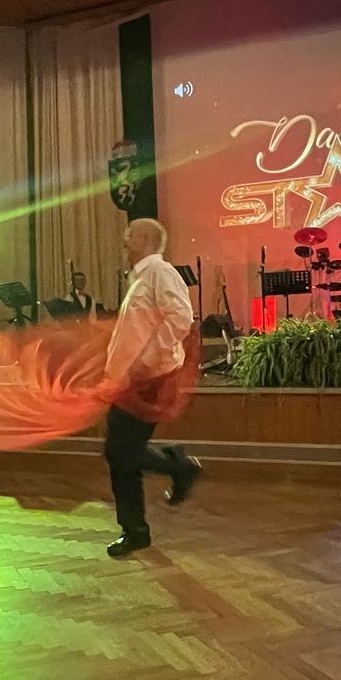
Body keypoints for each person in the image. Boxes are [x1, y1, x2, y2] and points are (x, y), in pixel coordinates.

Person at [103, 218, 202, 558]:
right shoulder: (140, 278)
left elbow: (181, 317)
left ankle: (178, 467)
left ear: (145, 240)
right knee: (120, 453)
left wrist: (145, 362)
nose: (124, 241)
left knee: (120, 451)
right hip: (133, 381)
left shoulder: (160, 273)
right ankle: (136, 529)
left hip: (149, 380)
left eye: (129, 235)